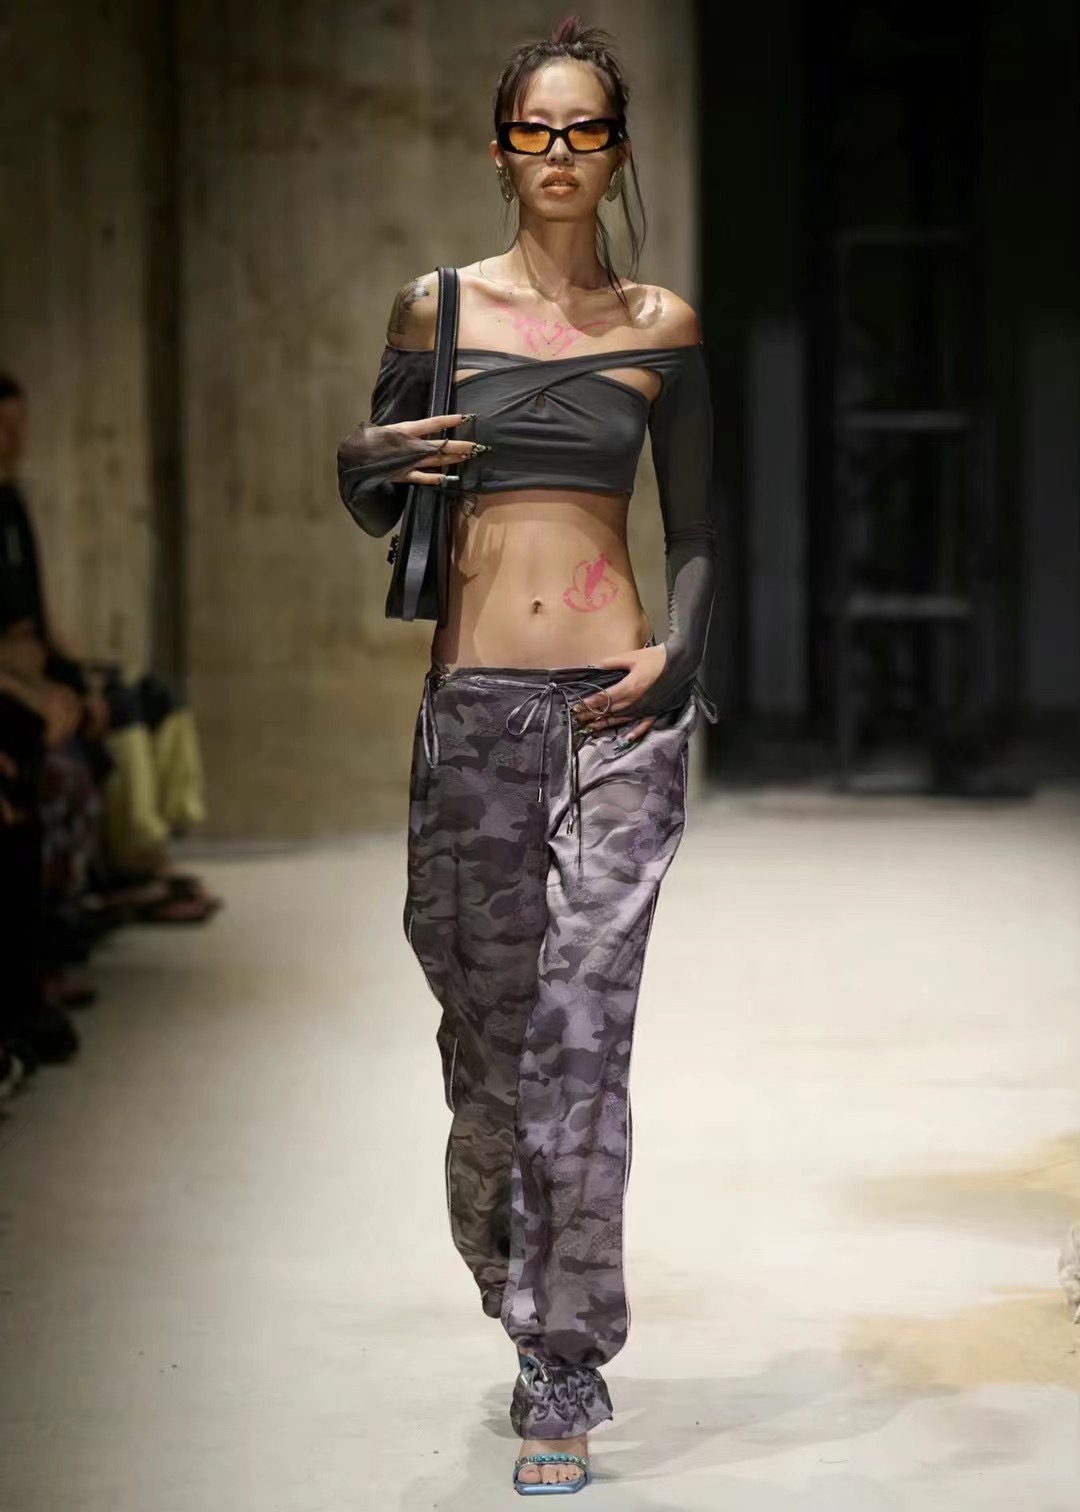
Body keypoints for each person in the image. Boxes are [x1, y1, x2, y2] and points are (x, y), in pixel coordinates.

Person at [337, 16, 718, 1495]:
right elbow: (383, 500)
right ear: (501, 149)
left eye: (586, 129)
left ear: (617, 151)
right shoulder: (433, 309)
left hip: (617, 715)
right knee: (491, 1058)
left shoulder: (662, 325)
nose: (559, 152)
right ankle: (516, 1294)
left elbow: (700, 527)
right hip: (477, 711)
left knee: (582, 1044)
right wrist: (358, 463)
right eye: (534, 128)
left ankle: (566, 1360)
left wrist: (678, 655)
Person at [0, 371, 219, 924]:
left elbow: (44, 619)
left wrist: (81, 676)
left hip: (38, 666)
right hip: (15, 682)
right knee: (111, 717)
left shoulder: (13, 504)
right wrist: (36, 688)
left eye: (19, 427)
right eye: (3, 428)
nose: (14, 440)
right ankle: (132, 862)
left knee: (151, 696)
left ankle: (156, 845)